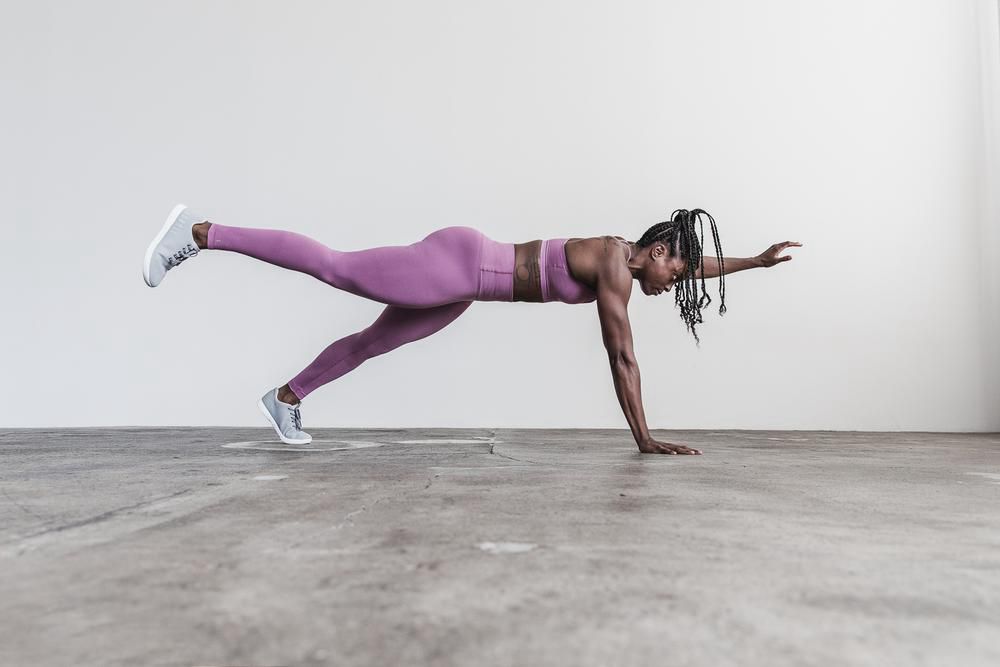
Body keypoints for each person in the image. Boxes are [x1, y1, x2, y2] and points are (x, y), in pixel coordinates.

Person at [142, 205, 800, 453]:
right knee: (335, 267)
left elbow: (697, 266)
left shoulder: (626, 260)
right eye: (674, 273)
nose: (674, 284)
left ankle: (286, 398)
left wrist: (755, 262)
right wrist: (645, 439)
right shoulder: (612, 264)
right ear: (656, 252)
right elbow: (621, 356)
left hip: (465, 288)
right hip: (458, 265)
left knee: (374, 342)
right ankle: (202, 232)